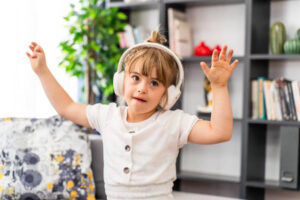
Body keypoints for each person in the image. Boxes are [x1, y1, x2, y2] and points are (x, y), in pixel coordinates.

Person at [26, 31, 239, 200]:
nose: (142, 88)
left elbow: (219, 132)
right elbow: (66, 107)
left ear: (169, 94)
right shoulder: (106, 116)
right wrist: (42, 71)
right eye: (136, 78)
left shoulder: (173, 122)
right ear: (121, 81)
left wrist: (219, 86)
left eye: (154, 83)